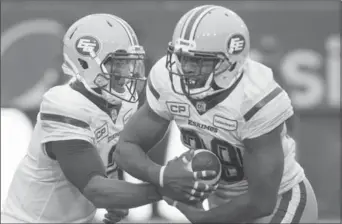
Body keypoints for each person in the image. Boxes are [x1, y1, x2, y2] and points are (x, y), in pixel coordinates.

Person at [0, 13, 215, 223]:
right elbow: (95, 189)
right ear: (85, 63)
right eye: (117, 63)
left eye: (130, 62)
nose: (127, 71)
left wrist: (119, 196)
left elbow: (107, 158)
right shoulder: (64, 105)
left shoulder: (120, 102)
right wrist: (166, 187)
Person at [115, 5, 318, 223]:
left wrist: (203, 218)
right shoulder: (166, 78)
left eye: (198, 60)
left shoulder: (255, 98)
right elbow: (125, 147)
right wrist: (162, 176)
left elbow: (262, 202)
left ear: (229, 62)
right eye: (182, 57)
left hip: (279, 202)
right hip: (220, 201)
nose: (186, 68)